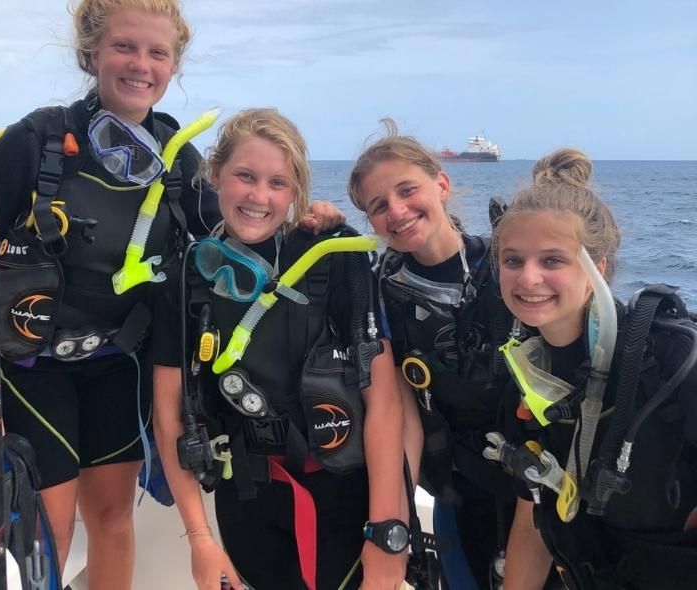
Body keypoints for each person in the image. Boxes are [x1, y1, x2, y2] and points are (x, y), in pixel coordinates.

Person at [0, 2, 341, 587]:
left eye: (158, 53)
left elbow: (234, 232)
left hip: (119, 367)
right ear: (92, 52)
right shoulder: (38, 141)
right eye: (125, 47)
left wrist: (309, 221)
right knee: (47, 531)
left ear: (174, 64)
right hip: (33, 366)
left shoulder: (176, 155)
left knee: (111, 521)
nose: (140, 64)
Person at [151, 108, 408, 590]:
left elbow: (385, 402)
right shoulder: (187, 277)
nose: (259, 196)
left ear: (295, 194)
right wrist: (200, 539)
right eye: (245, 177)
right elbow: (167, 416)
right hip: (247, 501)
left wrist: (387, 529)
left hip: (342, 499)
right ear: (216, 176)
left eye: (277, 183)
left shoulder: (334, 257)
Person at [489, 148, 697, 589]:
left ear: (596, 268)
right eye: (513, 260)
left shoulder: (667, 357)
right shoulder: (527, 377)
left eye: (552, 260)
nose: (528, 278)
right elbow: (534, 513)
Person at [347, 122, 518, 589]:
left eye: (407, 190)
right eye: (379, 206)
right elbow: (399, 413)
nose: (397, 211)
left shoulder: (510, 267)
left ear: (441, 184)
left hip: (536, 492)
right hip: (459, 495)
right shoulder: (384, 294)